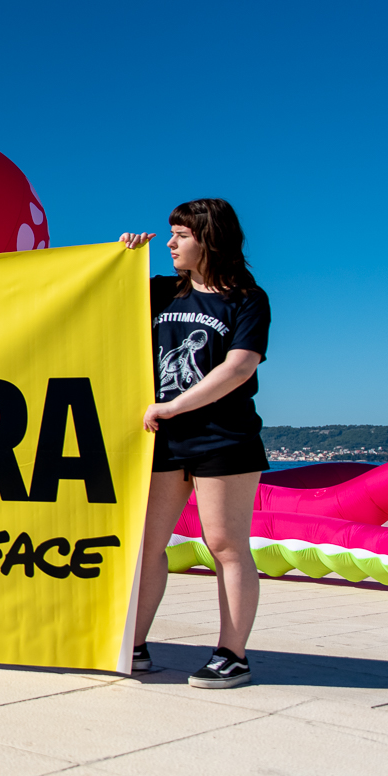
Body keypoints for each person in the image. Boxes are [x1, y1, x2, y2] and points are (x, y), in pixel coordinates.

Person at [120, 198, 270, 690]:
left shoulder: (247, 299)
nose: (170, 243)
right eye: (170, 234)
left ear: (209, 238)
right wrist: (125, 259)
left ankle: (232, 655)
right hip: (163, 440)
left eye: (181, 235)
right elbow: (105, 300)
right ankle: (133, 644)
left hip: (223, 437)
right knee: (147, 545)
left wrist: (173, 406)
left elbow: (239, 367)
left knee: (225, 544)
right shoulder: (161, 291)